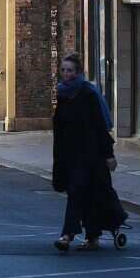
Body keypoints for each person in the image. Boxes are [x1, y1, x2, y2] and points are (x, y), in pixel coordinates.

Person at [52, 53, 117, 252]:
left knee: (76, 192)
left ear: (78, 72)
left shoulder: (87, 93)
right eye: (63, 70)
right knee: (88, 195)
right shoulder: (63, 95)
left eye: (70, 70)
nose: (66, 74)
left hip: (90, 155)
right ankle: (93, 237)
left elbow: (98, 125)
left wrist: (109, 154)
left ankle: (67, 235)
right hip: (70, 155)